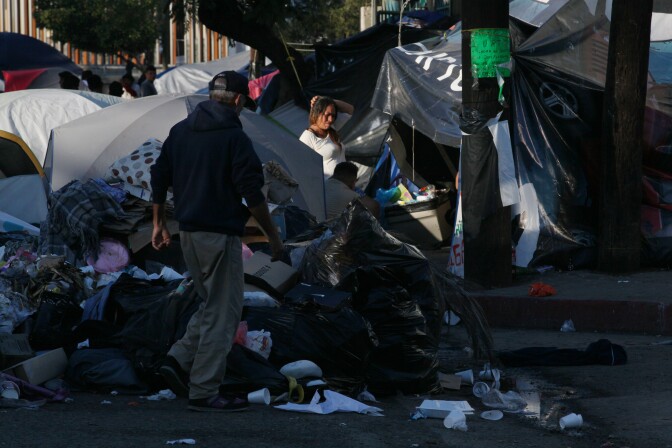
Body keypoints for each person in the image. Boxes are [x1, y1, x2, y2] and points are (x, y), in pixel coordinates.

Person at [150, 70, 283, 412]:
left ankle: (177, 360)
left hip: (188, 233)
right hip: (219, 234)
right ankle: (204, 390)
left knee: (212, 304)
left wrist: (158, 224)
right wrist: (273, 236)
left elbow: (159, 174)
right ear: (238, 101)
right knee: (225, 312)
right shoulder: (234, 138)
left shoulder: (180, 131)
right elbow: (252, 193)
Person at [299, 95, 354, 179]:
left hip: (344, 184)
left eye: (333, 115)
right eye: (327, 115)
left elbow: (350, 109)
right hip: (328, 187)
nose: (331, 119)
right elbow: (303, 168)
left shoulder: (332, 127)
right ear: (317, 113)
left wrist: (327, 101)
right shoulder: (307, 137)